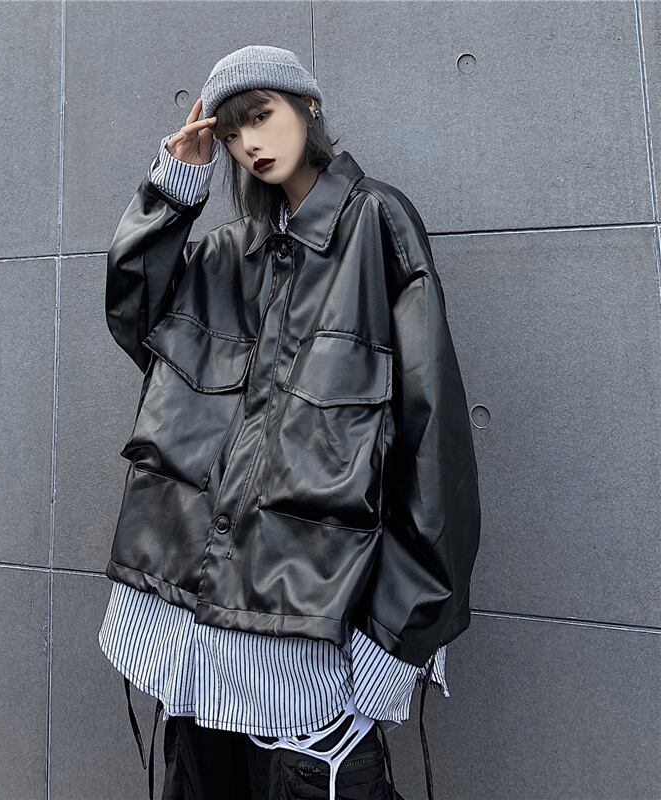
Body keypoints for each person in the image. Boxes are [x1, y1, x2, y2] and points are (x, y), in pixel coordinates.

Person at [99, 45, 480, 800]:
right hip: (190, 644)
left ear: (308, 107)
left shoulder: (377, 224)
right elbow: (137, 318)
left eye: (261, 116)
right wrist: (175, 189)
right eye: (232, 132)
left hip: (307, 658)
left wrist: (398, 637)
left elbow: (432, 439)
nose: (250, 143)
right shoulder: (226, 255)